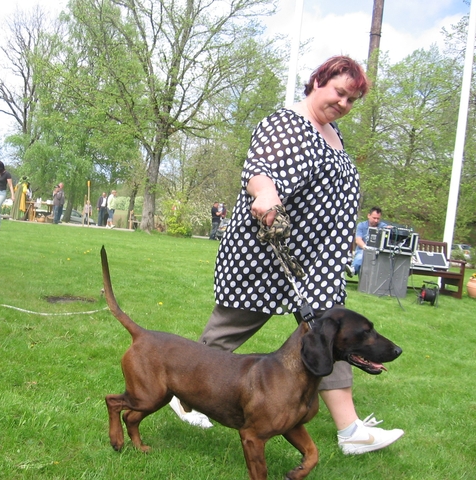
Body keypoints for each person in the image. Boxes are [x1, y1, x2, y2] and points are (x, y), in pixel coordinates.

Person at [169, 56, 404, 455]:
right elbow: (260, 169)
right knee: (226, 332)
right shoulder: (287, 124)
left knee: (331, 335)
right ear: (317, 81)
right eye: (339, 93)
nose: (344, 103)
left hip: (316, 262)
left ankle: (351, 430)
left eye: (352, 99)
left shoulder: (332, 133)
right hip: (268, 253)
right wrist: (265, 193)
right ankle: (184, 393)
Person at [348, 207, 388, 277]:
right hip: (363, 250)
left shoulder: (383, 226)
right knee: (362, 255)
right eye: (374, 218)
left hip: (378, 252)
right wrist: (366, 247)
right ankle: (353, 269)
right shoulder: (361, 225)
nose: (376, 220)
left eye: (378, 218)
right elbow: (358, 240)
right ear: (369, 215)